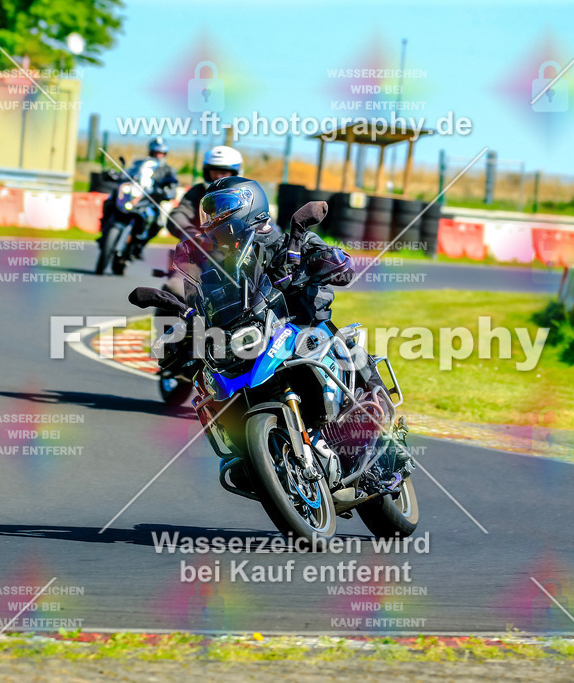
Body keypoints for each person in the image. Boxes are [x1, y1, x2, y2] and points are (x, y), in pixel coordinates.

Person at [176, 177, 414, 475]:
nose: (213, 218)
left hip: (304, 329)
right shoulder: (219, 267)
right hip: (253, 344)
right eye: (208, 211)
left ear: (251, 204)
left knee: (348, 349)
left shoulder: (285, 242)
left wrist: (328, 260)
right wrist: (184, 331)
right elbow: (204, 305)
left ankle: (391, 442)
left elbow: (342, 269)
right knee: (213, 385)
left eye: (222, 207)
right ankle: (256, 455)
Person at [98, 137, 179, 259]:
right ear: (150, 152)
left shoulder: (168, 170)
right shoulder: (141, 163)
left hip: (150, 201)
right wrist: (117, 174)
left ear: (165, 154)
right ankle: (104, 229)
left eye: (161, 153)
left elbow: (173, 185)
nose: (158, 155)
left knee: (158, 223)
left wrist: (168, 192)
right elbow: (129, 172)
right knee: (110, 201)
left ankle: (139, 246)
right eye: (155, 152)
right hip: (133, 196)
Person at [166, 145, 243, 241]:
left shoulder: (245, 193)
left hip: (240, 244)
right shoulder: (197, 191)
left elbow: (261, 218)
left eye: (223, 172)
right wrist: (190, 233)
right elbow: (179, 213)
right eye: (214, 171)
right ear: (207, 171)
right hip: (203, 246)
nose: (218, 176)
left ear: (235, 173)